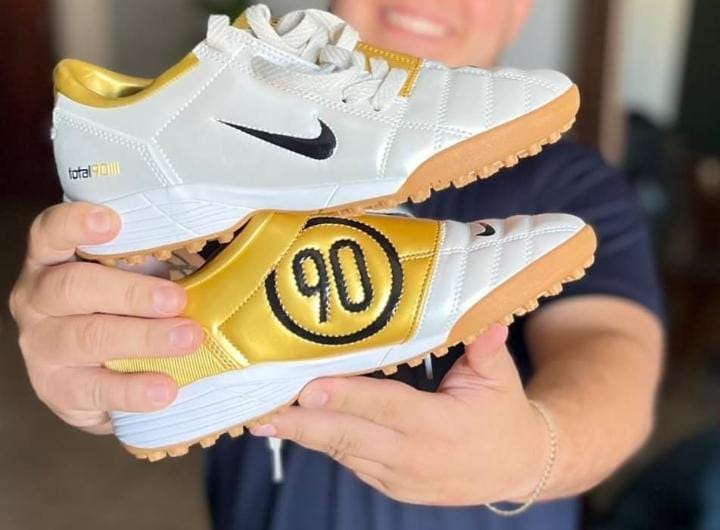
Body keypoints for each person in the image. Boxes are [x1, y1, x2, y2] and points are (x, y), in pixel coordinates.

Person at [9, 1, 664, 529]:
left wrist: (530, 453)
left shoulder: (574, 182)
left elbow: (614, 350)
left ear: (519, 11)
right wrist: (102, 362)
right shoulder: (214, 161)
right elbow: (131, 341)